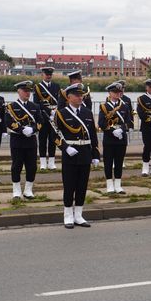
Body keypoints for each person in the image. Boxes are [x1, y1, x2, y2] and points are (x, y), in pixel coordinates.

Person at [55, 83, 100, 229]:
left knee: (82, 185)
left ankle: (79, 215)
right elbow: (54, 135)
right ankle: (68, 215)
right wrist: (65, 148)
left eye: (82, 95)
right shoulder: (61, 113)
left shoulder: (87, 112)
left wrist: (95, 153)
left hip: (85, 152)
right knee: (69, 186)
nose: (81, 97)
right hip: (70, 154)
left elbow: (93, 134)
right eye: (77, 95)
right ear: (69, 97)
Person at [5, 81, 42, 199]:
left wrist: (33, 129)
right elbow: (8, 122)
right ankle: (16, 190)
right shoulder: (11, 107)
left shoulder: (35, 107)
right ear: (19, 91)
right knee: (17, 166)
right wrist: (21, 130)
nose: (27, 93)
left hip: (31, 140)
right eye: (25, 91)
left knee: (32, 166)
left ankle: (28, 190)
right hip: (17, 140)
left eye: (29, 91)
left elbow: (41, 122)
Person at [98, 82, 131, 194]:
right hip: (109, 138)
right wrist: (113, 131)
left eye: (119, 92)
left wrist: (122, 129)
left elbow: (129, 122)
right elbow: (101, 123)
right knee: (108, 162)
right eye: (115, 92)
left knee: (119, 162)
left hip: (121, 138)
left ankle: (118, 185)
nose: (117, 94)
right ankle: (109, 185)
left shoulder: (125, 106)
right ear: (109, 93)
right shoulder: (104, 106)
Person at [33, 67, 60, 170]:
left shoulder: (56, 86)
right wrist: (50, 112)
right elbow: (37, 104)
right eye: (46, 74)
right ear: (42, 74)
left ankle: (52, 162)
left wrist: (56, 112)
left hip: (54, 117)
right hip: (43, 116)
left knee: (53, 139)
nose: (48, 76)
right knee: (43, 139)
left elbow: (59, 101)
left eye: (50, 74)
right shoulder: (38, 87)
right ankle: (43, 162)